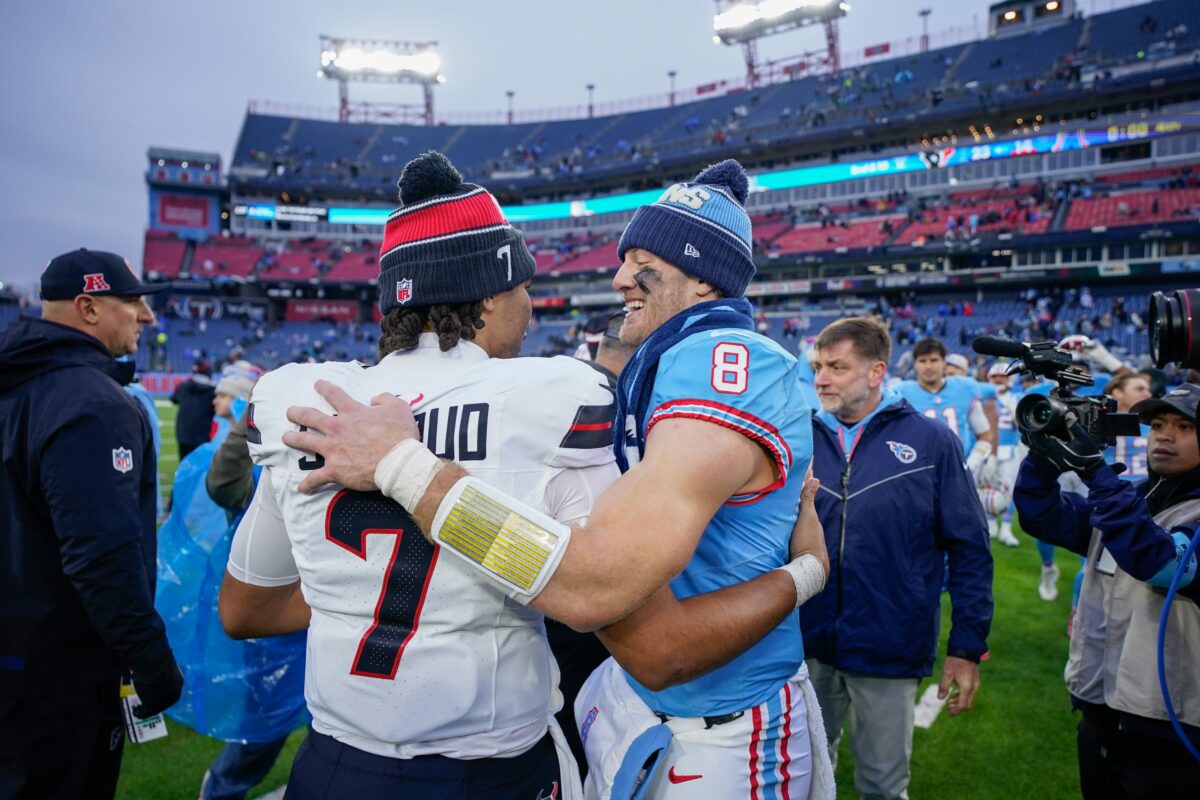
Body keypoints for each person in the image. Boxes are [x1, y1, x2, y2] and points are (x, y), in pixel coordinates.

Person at [221, 154, 831, 799]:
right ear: (490, 292)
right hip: (491, 765)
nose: (534, 307)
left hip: (332, 762)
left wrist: (368, 598)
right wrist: (810, 569)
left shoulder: (315, 404)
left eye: (640, 262)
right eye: (524, 288)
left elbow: (245, 608)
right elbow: (630, 621)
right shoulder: (553, 398)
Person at [0, 249, 183, 799]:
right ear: (87, 307)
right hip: (58, 673)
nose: (146, 317)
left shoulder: (18, 385)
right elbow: (101, 556)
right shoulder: (91, 403)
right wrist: (151, 663)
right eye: (131, 301)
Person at [803, 317, 994, 800]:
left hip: (888, 644)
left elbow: (970, 547)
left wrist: (966, 646)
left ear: (875, 372)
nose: (821, 378)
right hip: (804, 645)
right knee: (801, 781)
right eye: (818, 366)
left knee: (882, 786)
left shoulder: (932, 442)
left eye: (837, 367)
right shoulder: (799, 438)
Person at [1014, 383, 1200, 797]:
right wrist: (1044, 455)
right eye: (1157, 424)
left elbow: (1162, 564)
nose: (1165, 435)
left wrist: (1097, 473)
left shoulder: (1147, 504)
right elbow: (1041, 514)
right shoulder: (1131, 498)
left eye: (1185, 426)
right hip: (1100, 711)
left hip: (1171, 729)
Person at [896, 338, 999, 482]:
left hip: (958, 470)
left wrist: (973, 461)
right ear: (915, 364)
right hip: (918, 473)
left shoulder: (964, 388)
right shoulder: (901, 393)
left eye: (933, 360)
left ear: (944, 361)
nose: (928, 366)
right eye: (923, 361)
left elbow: (985, 435)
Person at [984, 361, 1022, 548]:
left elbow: (1021, 426)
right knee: (986, 486)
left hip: (1008, 449)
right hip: (986, 449)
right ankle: (991, 524)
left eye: (1003, 376)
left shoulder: (1017, 397)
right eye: (995, 377)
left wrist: (1012, 407)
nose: (999, 380)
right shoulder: (982, 397)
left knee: (1009, 489)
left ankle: (1006, 528)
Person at [173, 360, 217, 459]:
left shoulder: (183, 386)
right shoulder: (213, 391)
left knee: (184, 466)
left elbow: (174, 399)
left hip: (183, 434)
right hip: (202, 435)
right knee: (201, 469)